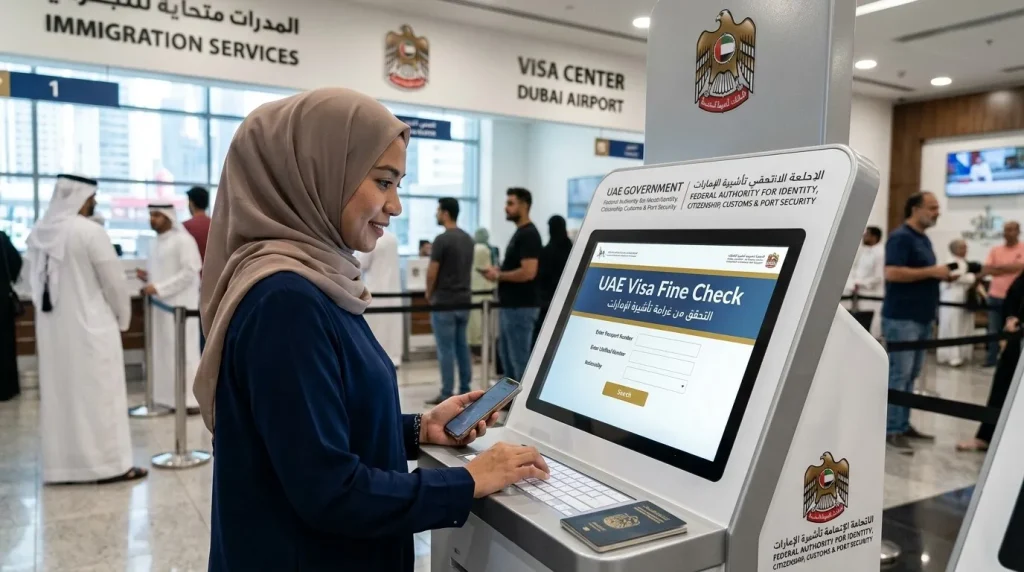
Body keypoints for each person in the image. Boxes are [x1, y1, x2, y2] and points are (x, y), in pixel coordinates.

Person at [193, 89, 548, 571]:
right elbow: (330, 490)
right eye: (383, 182)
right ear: (317, 173)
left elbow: (313, 433)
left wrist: (421, 428)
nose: (395, 205)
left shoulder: (315, 283)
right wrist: (468, 481)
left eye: (398, 184)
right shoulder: (285, 301)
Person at [26, 175, 144, 484]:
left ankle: (62, 468)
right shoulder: (89, 232)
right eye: (92, 198)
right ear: (82, 198)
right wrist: (123, 319)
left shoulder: (40, 233)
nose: (94, 203)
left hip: (53, 332)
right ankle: (110, 466)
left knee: (61, 396)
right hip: (93, 329)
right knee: (100, 398)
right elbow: (114, 283)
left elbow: (31, 283)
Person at [882, 191, 951, 454]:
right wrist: (933, 271)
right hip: (903, 317)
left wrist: (940, 275)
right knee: (899, 375)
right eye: (932, 207)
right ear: (915, 209)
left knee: (911, 375)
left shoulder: (923, 238)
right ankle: (891, 428)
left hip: (921, 316)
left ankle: (902, 423)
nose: (937, 212)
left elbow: (920, 273)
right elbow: (892, 272)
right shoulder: (901, 237)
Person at [138, 204, 203, 413]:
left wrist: (159, 288)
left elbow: (190, 272)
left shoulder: (183, 240)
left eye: (157, 215)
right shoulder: (154, 243)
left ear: (169, 217)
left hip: (180, 307)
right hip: (160, 308)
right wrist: (148, 279)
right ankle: (166, 399)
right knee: (162, 352)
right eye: (151, 215)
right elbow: (163, 272)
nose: (153, 219)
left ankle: (190, 402)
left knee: (182, 351)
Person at [958, 267, 1024, 453]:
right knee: (1003, 383)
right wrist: (1011, 317)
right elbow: (1014, 292)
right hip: (1018, 337)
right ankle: (986, 436)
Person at [483, 187, 542, 383]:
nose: (506, 208)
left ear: (524, 206)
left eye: (510, 203)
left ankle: (522, 400)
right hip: (511, 307)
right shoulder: (520, 233)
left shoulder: (529, 234)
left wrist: (499, 275)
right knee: (508, 359)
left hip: (521, 308)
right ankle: (510, 398)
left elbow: (528, 271)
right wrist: (499, 271)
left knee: (519, 361)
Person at [425, 198, 475, 404]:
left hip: (444, 301)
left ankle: (447, 392)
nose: (436, 214)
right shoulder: (468, 239)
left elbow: (432, 272)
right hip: (464, 300)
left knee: (446, 348)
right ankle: (465, 389)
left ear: (446, 213)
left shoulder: (441, 240)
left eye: (438, 210)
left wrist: (429, 293)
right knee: (462, 346)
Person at [982, 221, 1024, 366]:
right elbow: (987, 269)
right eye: (1005, 230)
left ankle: (1013, 361)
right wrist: (1010, 268)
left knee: (1015, 329)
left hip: (1016, 299)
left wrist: (998, 268)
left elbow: (1021, 267)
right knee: (993, 329)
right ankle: (991, 359)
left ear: (1018, 231)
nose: (1007, 233)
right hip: (995, 295)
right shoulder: (995, 250)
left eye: (1011, 230)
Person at [358, 230, 403, 366]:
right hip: (393, 292)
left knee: (376, 330)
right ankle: (394, 359)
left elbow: (361, 264)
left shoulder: (370, 238)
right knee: (392, 329)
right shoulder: (392, 238)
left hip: (376, 291)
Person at [938, 239, 979, 367]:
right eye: (962, 248)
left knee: (964, 325)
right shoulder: (951, 262)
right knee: (952, 326)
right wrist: (973, 277)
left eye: (966, 247)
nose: (965, 250)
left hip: (964, 297)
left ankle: (962, 354)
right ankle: (952, 356)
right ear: (955, 249)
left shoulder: (964, 262)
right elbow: (955, 277)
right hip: (952, 297)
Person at [534, 215, 573, 343]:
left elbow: (540, 276)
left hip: (547, 302)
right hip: (567, 301)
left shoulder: (546, 251)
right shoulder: (572, 249)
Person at [846, 226, 884, 336]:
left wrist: (859, 283)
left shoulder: (881, 253)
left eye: (867, 234)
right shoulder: (864, 251)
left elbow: (879, 277)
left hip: (873, 297)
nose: (864, 237)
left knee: (871, 330)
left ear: (874, 237)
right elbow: (855, 270)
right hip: (859, 295)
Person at [0, 228, 22, 401]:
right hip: (2, 300)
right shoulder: (1, 238)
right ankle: (6, 388)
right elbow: (16, 262)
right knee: (4, 344)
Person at [468, 228, 496, 349]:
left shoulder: (473, 248)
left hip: (474, 289)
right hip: (483, 290)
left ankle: (475, 347)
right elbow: (486, 270)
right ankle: (480, 348)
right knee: (482, 323)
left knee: (474, 322)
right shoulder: (482, 249)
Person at [183, 186, 212, 262]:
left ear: (191, 203)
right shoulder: (216, 225)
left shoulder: (184, 227)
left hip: (193, 268)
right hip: (214, 268)